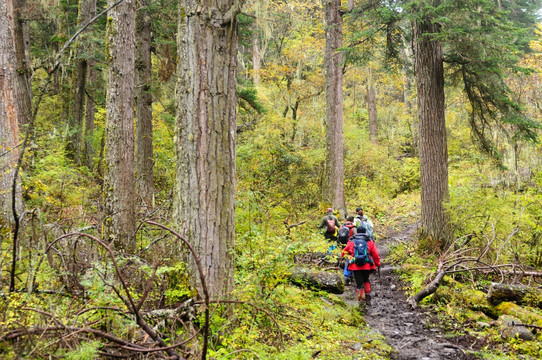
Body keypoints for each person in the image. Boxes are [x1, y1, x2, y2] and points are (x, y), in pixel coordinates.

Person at [341, 223, 381, 304]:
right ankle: (368, 297)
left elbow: (344, 253)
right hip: (367, 266)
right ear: (365, 232)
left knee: (359, 283)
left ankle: (361, 302)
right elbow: (375, 254)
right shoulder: (369, 241)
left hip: (355, 266)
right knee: (366, 280)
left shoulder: (351, 241)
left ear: (357, 232)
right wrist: (377, 264)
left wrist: (349, 258)